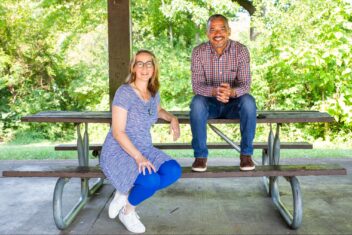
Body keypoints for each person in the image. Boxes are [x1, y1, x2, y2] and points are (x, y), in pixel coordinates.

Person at [100, 50, 182, 234]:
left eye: (149, 63)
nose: (145, 67)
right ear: (133, 67)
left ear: (154, 68)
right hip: (119, 149)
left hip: (144, 146)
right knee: (151, 180)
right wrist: (138, 158)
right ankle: (129, 212)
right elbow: (118, 131)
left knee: (173, 171)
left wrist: (172, 118)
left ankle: (126, 197)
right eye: (140, 63)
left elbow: (158, 110)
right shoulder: (125, 92)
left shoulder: (153, 92)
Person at [190, 14, 257, 172]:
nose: (217, 34)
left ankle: (246, 155)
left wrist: (232, 92)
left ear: (229, 31)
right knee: (197, 102)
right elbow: (197, 86)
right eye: (212, 30)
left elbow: (246, 84)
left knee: (248, 101)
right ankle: (200, 157)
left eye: (222, 29)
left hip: (233, 105)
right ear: (207, 33)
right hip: (210, 104)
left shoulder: (240, 51)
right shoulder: (198, 52)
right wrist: (215, 91)